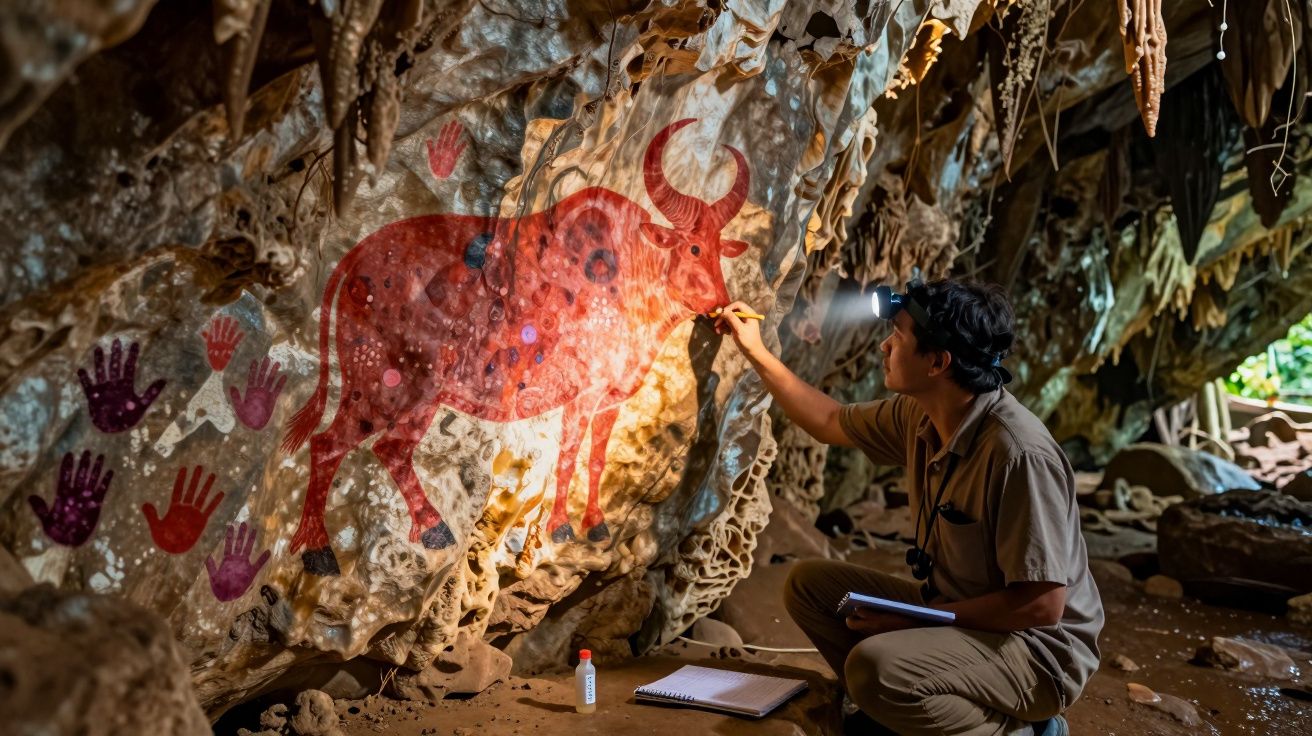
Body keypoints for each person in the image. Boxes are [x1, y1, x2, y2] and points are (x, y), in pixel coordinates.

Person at [715, 279, 1103, 736]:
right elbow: (829, 420)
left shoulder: (1017, 454)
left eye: (897, 338)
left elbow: (1041, 606)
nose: (884, 345)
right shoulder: (921, 413)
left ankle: (1022, 730)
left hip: (1035, 651)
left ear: (938, 362)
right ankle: (905, 711)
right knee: (811, 588)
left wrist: (914, 620)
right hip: (958, 613)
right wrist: (755, 351)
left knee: (874, 668)